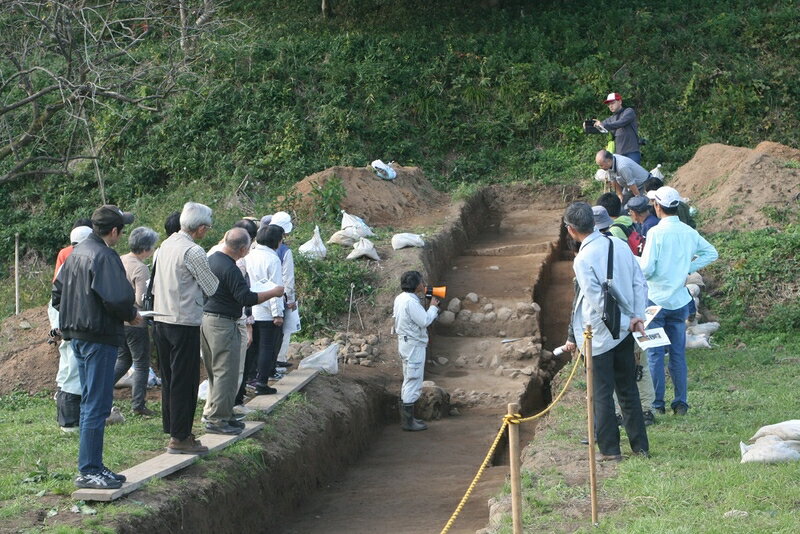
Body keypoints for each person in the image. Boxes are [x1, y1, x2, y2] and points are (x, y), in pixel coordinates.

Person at [52, 205, 141, 489]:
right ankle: (89, 470)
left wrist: (76, 314)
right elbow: (117, 298)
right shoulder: (104, 255)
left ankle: (95, 466)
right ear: (113, 231)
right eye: (121, 230)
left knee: (92, 400)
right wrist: (132, 315)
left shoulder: (76, 252)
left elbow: (57, 294)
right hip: (98, 337)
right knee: (96, 404)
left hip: (77, 336)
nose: (121, 234)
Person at [561, 202, 649, 460]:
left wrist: (617, 320)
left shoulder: (583, 259)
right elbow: (638, 282)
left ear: (571, 229)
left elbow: (596, 299)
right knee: (628, 388)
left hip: (598, 335)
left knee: (601, 392)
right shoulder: (620, 246)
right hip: (625, 329)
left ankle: (610, 450)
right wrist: (636, 316)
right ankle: (640, 446)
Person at [639, 187, 718, 416]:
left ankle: (657, 403)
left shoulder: (655, 232)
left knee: (654, 353)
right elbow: (711, 253)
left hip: (655, 301)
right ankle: (681, 403)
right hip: (679, 302)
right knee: (677, 353)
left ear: (657, 206)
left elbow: (647, 268)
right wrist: (685, 269)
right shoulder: (688, 232)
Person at [202, 228, 284, 435]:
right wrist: (274, 292)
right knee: (225, 372)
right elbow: (246, 298)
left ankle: (223, 413)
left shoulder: (212, 260)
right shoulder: (230, 269)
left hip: (208, 319)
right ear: (242, 248)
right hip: (222, 323)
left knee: (217, 371)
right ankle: (217, 420)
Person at [153, 202, 219, 455]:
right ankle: (180, 438)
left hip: (161, 319)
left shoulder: (165, 246)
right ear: (200, 228)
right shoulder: (193, 251)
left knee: (170, 378)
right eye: (207, 227)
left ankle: (174, 428)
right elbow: (211, 287)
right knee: (185, 380)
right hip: (183, 321)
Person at [49, 222, 93, 432]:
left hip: (64, 317)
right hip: (71, 320)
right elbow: (61, 295)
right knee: (73, 372)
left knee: (67, 369)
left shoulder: (67, 255)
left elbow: (55, 294)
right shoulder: (82, 257)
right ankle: (70, 423)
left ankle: (69, 420)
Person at [115, 226, 159, 417]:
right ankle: (138, 405)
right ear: (147, 248)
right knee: (141, 363)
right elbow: (141, 299)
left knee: (123, 359)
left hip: (118, 319)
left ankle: (98, 391)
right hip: (135, 320)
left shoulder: (119, 260)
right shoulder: (140, 268)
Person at [392, 271, 440, 431]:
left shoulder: (401, 298)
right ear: (416, 284)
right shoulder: (410, 302)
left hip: (406, 343)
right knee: (413, 379)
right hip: (413, 345)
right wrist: (433, 307)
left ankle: (409, 419)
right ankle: (408, 422)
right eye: (422, 281)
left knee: (408, 378)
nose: (424, 284)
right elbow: (424, 321)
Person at [243, 224, 285, 395]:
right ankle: (262, 382)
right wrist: (278, 314)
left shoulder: (249, 255)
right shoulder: (272, 259)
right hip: (267, 310)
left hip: (250, 307)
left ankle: (245, 381)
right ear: (276, 241)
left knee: (251, 348)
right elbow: (276, 288)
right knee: (266, 347)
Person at [271, 211, 298, 374]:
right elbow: (288, 278)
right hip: (279, 297)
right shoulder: (284, 251)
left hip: (257, 299)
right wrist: (291, 299)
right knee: (280, 332)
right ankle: (277, 360)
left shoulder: (255, 246)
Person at [594, 92, 642, 163]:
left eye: (612, 103)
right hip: (619, 155)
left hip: (632, 152)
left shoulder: (629, 111)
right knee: (620, 174)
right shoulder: (610, 119)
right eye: (609, 104)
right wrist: (588, 126)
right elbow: (599, 128)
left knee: (633, 174)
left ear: (620, 101)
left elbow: (621, 122)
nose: (610, 106)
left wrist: (604, 125)